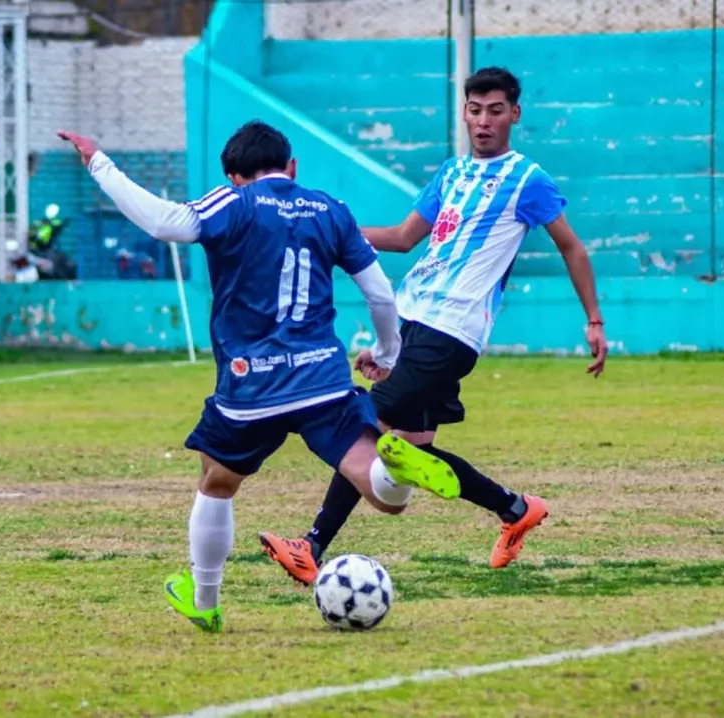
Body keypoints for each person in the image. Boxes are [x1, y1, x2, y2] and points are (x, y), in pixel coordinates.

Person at [58, 121, 463, 633]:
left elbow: (165, 223)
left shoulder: (235, 202)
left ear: (232, 176)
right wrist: (387, 351)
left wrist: (100, 163)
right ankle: (397, 465)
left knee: (217, 479)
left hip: (252, 386)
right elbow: (382, 295)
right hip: (322, 378)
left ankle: (205, 600)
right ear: (292, 168)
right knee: (385, 497)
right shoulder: (329, 209)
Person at [258, 66, 608, 585]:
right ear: (464, 112)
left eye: (495, 110)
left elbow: (572, 246)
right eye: (474, 110)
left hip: (454, 328)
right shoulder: (451, 174)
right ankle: (515, 509)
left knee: (364, 426)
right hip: (413, 319)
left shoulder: (527, 180)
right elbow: (402, 237)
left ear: (514, 114)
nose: (483, 121)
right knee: (412, 448)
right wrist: (332, 233)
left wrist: (594, 320)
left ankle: (311, 547)